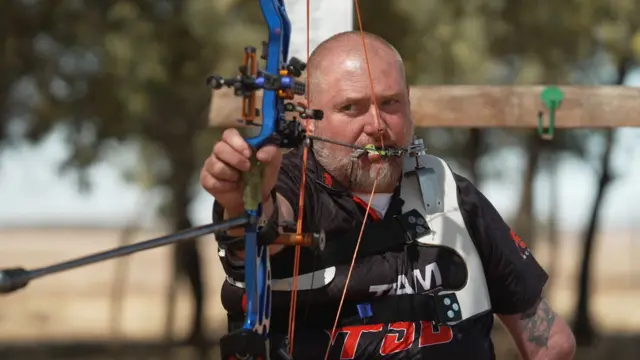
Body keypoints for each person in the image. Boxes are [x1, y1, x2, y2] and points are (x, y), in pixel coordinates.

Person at [200, 31, 576, 360]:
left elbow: (552, 344)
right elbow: (262, 221)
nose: (377, 125)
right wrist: (243, 197)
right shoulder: (289, 188)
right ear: (308, 118)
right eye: (352, 107)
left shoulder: (450, 192)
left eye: (391, 103)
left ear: (409, 105)